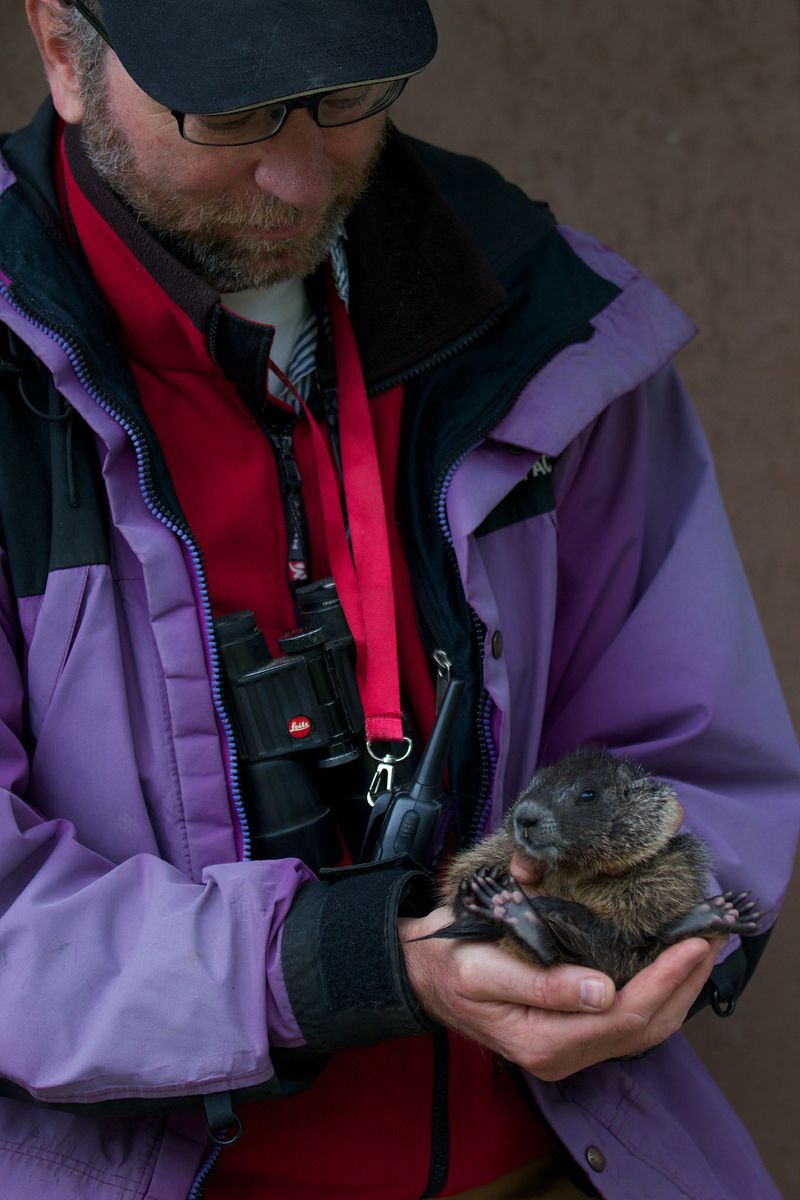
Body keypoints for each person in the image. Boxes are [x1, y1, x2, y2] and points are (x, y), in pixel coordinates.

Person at [0, 1, 797, 1197]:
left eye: (346, 94)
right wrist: (329, 968)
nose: (297, 169)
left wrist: (641, 930)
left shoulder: (547, 322)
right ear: (63, 45)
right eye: (232, 109)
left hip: (560, 1157)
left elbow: (699, 767)